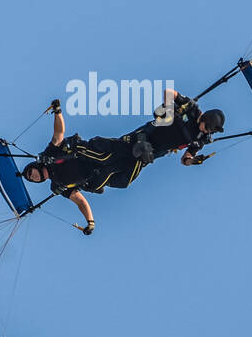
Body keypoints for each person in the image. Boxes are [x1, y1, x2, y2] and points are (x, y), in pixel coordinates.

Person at [21, 93, 225, 235]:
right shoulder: (58, 186)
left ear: (35, 166)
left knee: (104, 157)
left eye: (31, 172)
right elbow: (81, 201)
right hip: (99, 176)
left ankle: (135, 148)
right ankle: (139, 154)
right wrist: (90, 222)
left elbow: (59, 133)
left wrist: (57, 111)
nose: (33, 176)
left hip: (93, 153)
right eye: (32, 179)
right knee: (124, 181)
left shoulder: (50, 153)